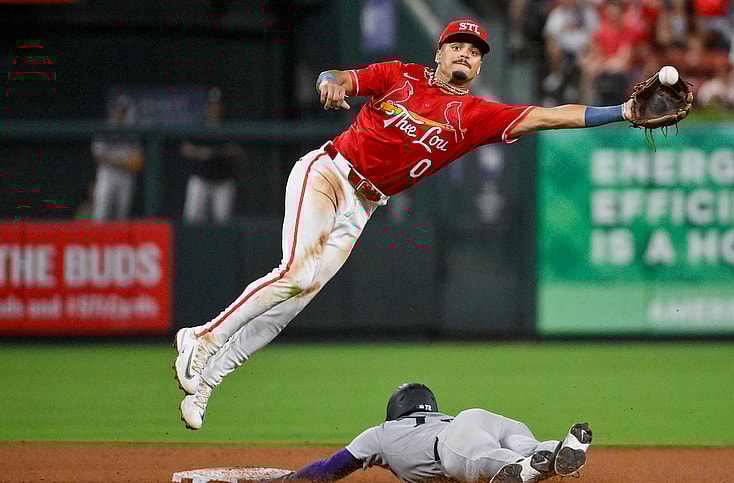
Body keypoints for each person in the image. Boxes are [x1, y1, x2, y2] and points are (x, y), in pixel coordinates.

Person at [174, 20, 639, 431]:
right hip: (329, 172)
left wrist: (621, 113)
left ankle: (208, 381)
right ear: (438, 53)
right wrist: (327, 81)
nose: (466, 54)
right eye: (458, 45)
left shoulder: (476, 115)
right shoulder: (399, 74)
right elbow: (339, 77)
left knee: (293, 302)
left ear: (478, 68)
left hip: (363, 207)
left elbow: (548, 116)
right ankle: (202, 336)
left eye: (475, 52)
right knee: (296, 272)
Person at [261, 383, 593, 483]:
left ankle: (524, 468)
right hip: (475, 417)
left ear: (395, 409)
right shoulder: (442, 417)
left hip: (450, 444)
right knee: (520, 439)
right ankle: (552, 449)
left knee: (480, 458)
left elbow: (327, 471)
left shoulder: (380, 433)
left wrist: (290, 480)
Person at [180, 87, 241, 224]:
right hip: (200, 178)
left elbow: (238, 149)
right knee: (192, 219)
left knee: (223, 222)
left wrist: (217, 153)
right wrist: (201, 153)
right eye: (212, 104)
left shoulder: (229, 124)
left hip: (223, 180)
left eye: (217, 105)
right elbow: (185, 148)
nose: (214, 108)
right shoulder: (199, 124)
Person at [90, 95, 143, 220]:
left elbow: (138, 157)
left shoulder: (132, 131)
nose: (121, 113)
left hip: (126, 175)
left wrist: (132, 163)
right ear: (114, 110)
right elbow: (98, 157)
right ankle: (96, 238)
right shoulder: (106, 129)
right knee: (100, 211)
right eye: (119, 110)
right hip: (107, 174)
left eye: (124, 111)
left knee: (122, 213)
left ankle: (120, 239)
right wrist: (122, 163)